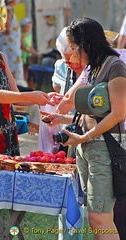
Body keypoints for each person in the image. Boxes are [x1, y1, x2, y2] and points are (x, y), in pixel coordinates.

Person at [0, 4, 54, 237]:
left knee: (2, 196)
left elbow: (15, 98)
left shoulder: (0, 56)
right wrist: (32, 96)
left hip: (6, 131)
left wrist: (46, 98)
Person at [41, 17, 126, 240]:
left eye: (72, 45)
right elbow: (92, 113)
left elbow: (118, 113)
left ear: (86, 43)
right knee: (96, 217)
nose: (70, 51)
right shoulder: (95, 67)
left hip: (104, 148)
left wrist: (84, 137)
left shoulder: (115, 66)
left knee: (100, 218)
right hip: (90, 148)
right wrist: (60, 118)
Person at [0, 0, 24, 83]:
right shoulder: (8, 9)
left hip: (7, 40)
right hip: (10, 41)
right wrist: (8, 30)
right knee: (12, 59)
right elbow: (7, 22)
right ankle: (14, 80)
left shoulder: (2, 9)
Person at [20, 17, 38, 82]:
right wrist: (31, 51)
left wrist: (33, 51)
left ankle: (26, 81)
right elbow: (22, 46)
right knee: (22, 68)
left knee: (26, 69)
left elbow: (30, 46)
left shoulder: (29, 35)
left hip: (28, 55)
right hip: (23, 54)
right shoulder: (20, 35)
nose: (28, 28)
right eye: (26, 26)